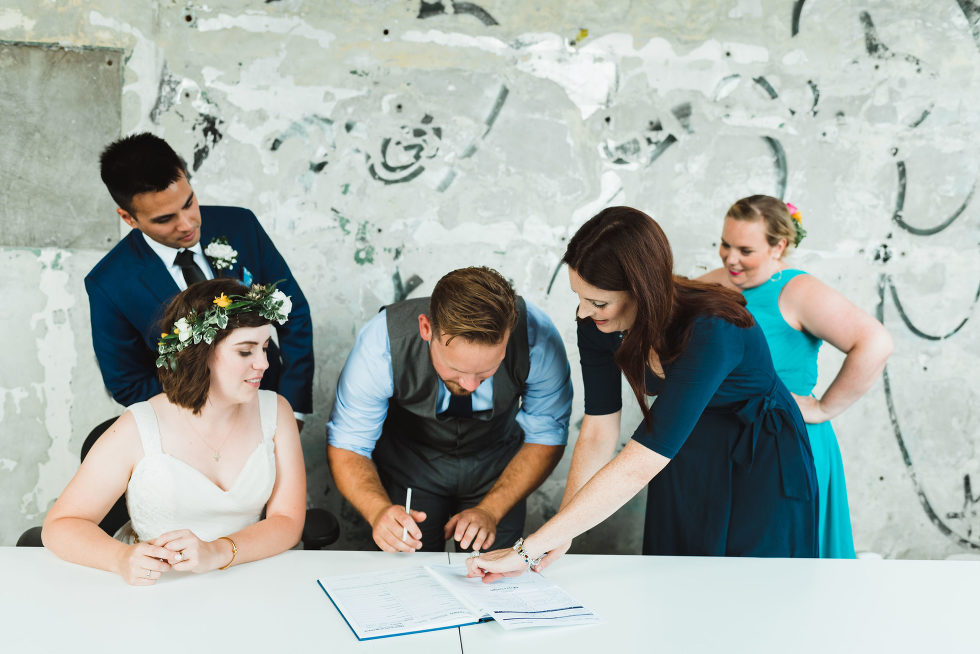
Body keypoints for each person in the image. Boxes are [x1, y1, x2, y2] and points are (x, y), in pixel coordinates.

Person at [468, 207, 819, 582]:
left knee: (755, 586)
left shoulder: (713, 328)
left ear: (642, 291)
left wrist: (528, 548)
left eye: (599, 302)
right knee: (675, 581)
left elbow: (638, 466)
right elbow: (600, 427)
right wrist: (561, 532)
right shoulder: (597, 322)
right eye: (579, 297)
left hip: (756, 457)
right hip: (681, 450)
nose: (584, 313)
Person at [42, 278, 306, 585]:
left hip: (248, 574)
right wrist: (121, 558)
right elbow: (60, 525)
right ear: (201, 352)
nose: (263, 363)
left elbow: (287, 521)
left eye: (265, 347)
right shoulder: (138, 426)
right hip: (160, 583)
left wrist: (218, 552)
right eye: (245, 352)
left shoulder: (277, 411)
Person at [696, 195, 892, 557]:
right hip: (720, 449)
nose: (730, 258)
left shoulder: (799, 290)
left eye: (745, 249)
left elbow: (875, 342)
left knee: (787, 569)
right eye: (725, 244)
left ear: (778, 246)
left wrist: (822, 409)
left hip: (785, 447)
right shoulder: (710, 285)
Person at [327, 267, 572, 553]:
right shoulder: (381, 342)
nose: (470, 385)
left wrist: (491, 510)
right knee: (409, 574)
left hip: (499, 470)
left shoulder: (536, 338)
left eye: (486, 371)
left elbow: (546, 437)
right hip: (411, 467)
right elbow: (349, 444)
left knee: (494, 578)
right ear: (426, 328)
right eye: (456, 369)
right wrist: (378, 511)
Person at [85, 132, 314, 425]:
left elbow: (293, 312)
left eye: (189, 203)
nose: (187, 224)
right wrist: (203, 415)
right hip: (189, 425)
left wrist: (291, 409)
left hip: (270, 405)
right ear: (128, 218)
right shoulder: (109, 284)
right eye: (165, 219)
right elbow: (128, 382)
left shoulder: (241, 226)